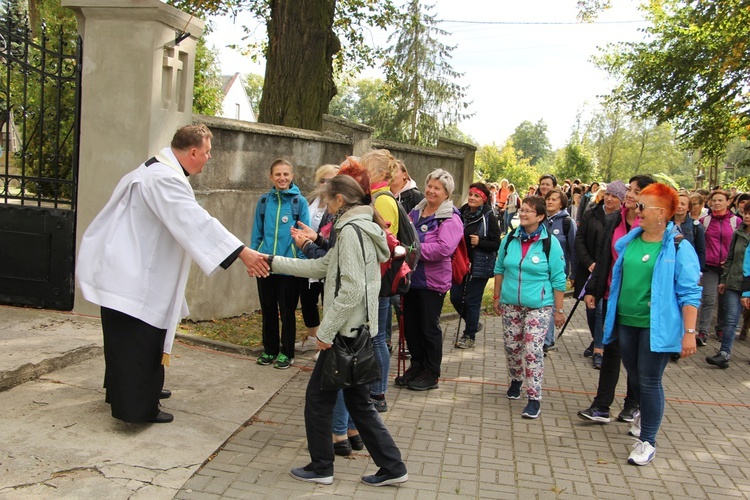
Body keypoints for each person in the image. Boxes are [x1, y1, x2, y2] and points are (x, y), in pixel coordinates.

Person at [76, 124, 269, 424]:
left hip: (129, 269)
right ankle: (137, 407)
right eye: (206, 152)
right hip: (136, 275)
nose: (209, 157)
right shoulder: (164, 179)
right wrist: (242, 251)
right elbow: (195, 221)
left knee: (127, 344)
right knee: (137, 343)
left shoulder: (156, 169)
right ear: (192, 152)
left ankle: (134, 390)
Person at [266, 175, 408, 487]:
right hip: (356, 331)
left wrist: (325, 333)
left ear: (340, 201)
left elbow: (352, 288)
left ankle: (321, 467)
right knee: (359, 403)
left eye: (329, 200)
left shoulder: (351, 231)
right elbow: (322, 267)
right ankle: (393, 466)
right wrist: (272, 261)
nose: (327, 207)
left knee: (318, 401)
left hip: (346, 332)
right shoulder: (359, 228)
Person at [603, 182, 700, 466]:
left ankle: (647, 441)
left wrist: (689, 333)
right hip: (626, 321)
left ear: (662, 213)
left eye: (642, 206)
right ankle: (645, 412)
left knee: (648, 379)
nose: (635, 209)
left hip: (656, 326)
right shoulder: (632, 239)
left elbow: (690, 293)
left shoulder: (679, 247)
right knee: (634, 375)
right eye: (636, 204)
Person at [577, 175, 655, 425]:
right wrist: (592, 289)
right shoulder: (616, 219)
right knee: (611, 351)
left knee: (634, 358)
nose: (630, 195)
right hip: (612, 295)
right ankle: (601, 406)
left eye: (637, 191)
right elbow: (604, 257)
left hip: (639, 301)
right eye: (630, 190)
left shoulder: (650, 226)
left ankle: (632, 405)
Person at [492, 196, 566, 419]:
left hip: (539, 306)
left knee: (533, 350)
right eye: (522, 210)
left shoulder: (549, 243)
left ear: (540, 216)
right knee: (512, 347)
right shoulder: (510, 238)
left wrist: (559, 310)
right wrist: (497, 296)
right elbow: (499, 267)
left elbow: (559, 277)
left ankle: (534, 398)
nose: (523, 214)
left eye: (528, 211)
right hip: (511, 303)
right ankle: (516, 379)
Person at [396, 169, 463, 391]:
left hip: (432, 282)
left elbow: (444, 249)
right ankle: (416, 366)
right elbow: (403, 234)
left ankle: (431, 372)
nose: (432, 191)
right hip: (411, 279)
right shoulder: (416, 211)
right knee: (412, 327)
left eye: (438, 188)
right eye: (430, 186)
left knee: (428, 327)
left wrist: (411, 251)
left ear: (447, 194)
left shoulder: (450, 217)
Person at [250, 159, 311, 370]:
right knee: (268, 309)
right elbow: (256, 233)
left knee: (287, 311)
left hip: (288, 266)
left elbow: (305, 235)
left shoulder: (299, 202)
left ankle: (287, 352)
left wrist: (300, 265)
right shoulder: (264, 201)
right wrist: (254, 257)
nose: (282, 178)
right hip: (265, 264)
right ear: (271, 177)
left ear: (292, 176)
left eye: (286, 174)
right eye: (278, 174)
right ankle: (269, 350)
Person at [361, 148, 401, 412]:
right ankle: (376, 390)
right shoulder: (377, 197)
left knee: (377, 337)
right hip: (378, 275)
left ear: (376, 172)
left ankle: (378, 393)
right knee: (376, 335)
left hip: (380, 277)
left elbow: (381, 243)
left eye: (364, 168)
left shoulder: (382, 200)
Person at [575, 180, 625, 369]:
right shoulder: (591, 214)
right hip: (590, 268)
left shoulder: (621, 220)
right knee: (591, 309)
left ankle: (599, 348)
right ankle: (598, 340)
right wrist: (589, 263)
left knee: (601, 310)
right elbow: (579, 240)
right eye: (608, 195)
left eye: (615, 196)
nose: (610, 199)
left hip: (609, 271)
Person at [294, 164, 339, 354]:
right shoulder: (311, 200)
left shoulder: (336, 205)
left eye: (331, 180)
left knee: (327, 300)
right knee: (307, 300)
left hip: (325, 257)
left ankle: (326, 342)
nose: (325, 184)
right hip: (307, 257)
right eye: (323, 180)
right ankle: (313, 336)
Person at [450, 182, 501, 349]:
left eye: (477, 195)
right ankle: (473, 322)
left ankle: (469, 335)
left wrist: (480, 242)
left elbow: (496, 244)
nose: (472, 198)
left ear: (484, 199)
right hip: (460, 263)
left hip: (480, 265)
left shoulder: (489, 217)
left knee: (472, 300)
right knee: (455, 297)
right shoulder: (460, 212)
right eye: (471, 194)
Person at [707, 202, 750, 368]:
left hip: (749, 283)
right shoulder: (738, 233)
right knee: (731, 319)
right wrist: (724, 280)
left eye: (749, 213)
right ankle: (724, 354)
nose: (746, 216)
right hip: (734, 282)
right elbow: (730, 258)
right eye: (745, 212)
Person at [697, 190, 741, 346]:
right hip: (709, 266)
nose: (716, 203)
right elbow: (700, 244)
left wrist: (731, 261)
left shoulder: (736, 221)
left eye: (720, 200)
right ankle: (703, 331)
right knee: (708, 298)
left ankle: (721, 329)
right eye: (714, 200)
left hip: (728, 268)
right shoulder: (705, 221)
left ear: (728, 202)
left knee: (724, 301)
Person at [542, 187, 576, 353]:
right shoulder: (541, 220)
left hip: (557, 271)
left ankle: (547, 340)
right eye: (548, 198)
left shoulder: (567, 222)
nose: (550, 201)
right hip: (540, 270)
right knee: (543, 304)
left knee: (552, 305)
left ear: (562, 203)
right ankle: (543, 338)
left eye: (554, 199)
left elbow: (574, 249)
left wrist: (573, 273)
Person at [672, 191, 706, 271]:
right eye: (677, 203)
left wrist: (699, 271)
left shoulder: (696, 226)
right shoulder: (665, 224)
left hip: (689, 267)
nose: (679, 206)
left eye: (683, 204)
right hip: (669, 265)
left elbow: (701, 251)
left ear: (688, 207)